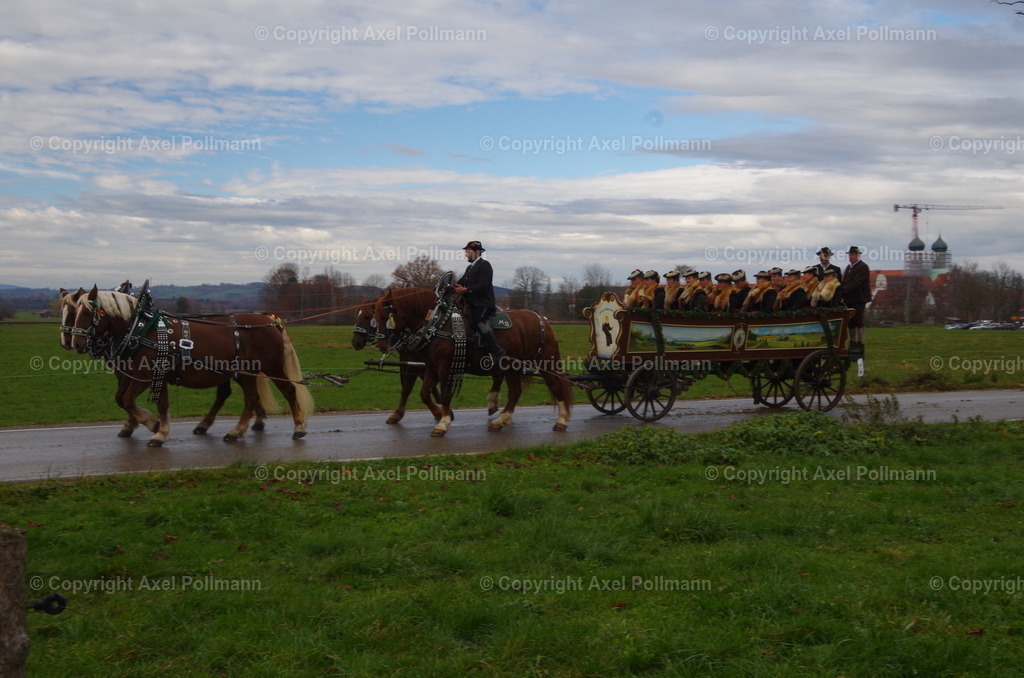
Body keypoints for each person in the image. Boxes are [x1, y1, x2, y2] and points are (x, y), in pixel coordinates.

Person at [453, 240, 505, 360]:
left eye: (468, 251)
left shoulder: (485, 265)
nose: (466, 254)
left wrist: (466, 290)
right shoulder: (470, 268)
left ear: (476, 252)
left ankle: (496, 350)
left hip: (484, 304)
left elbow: (483, 285)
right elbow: (459, 283)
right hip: (471, 305)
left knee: (477, 319)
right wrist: (449, 288)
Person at [842, 245, 872, 356]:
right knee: (850, 322)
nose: (851, 257)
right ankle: (853, 343)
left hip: (859, 298)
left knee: (858, 321)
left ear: (858, 255)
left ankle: (861, 344)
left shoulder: (863, 267)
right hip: (849, 298)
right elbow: (845, 281)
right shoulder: (848, 267)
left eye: (853, 254)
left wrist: (844, 289)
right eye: (850, 254)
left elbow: (857, 282)